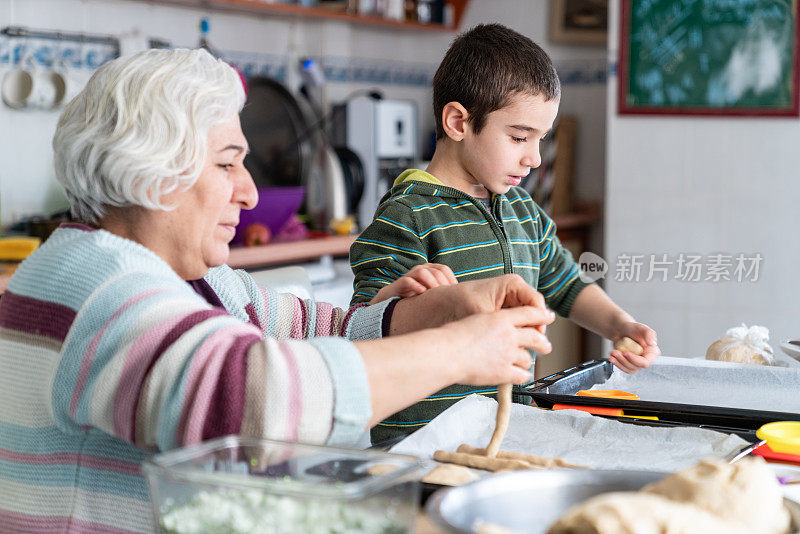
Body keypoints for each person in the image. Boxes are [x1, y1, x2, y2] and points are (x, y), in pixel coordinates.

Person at [0, 48, 555, 533]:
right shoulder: (95, 286)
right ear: (150, 173)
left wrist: (437, 311)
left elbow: (317, 329)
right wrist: (461, 350)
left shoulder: (193, 277)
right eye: (228, 164)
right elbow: (246, 398)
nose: (248, 192)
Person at [350, 24, 661, 443]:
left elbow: (564, 282)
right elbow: (362, 329)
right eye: (519, 137)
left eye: (540, 139)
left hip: (507, 433)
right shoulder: (408, 214)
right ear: (459, 122)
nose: (533, 158)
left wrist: (619, 325)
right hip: (419, 445)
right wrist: (398, 298)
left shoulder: (520, 208)